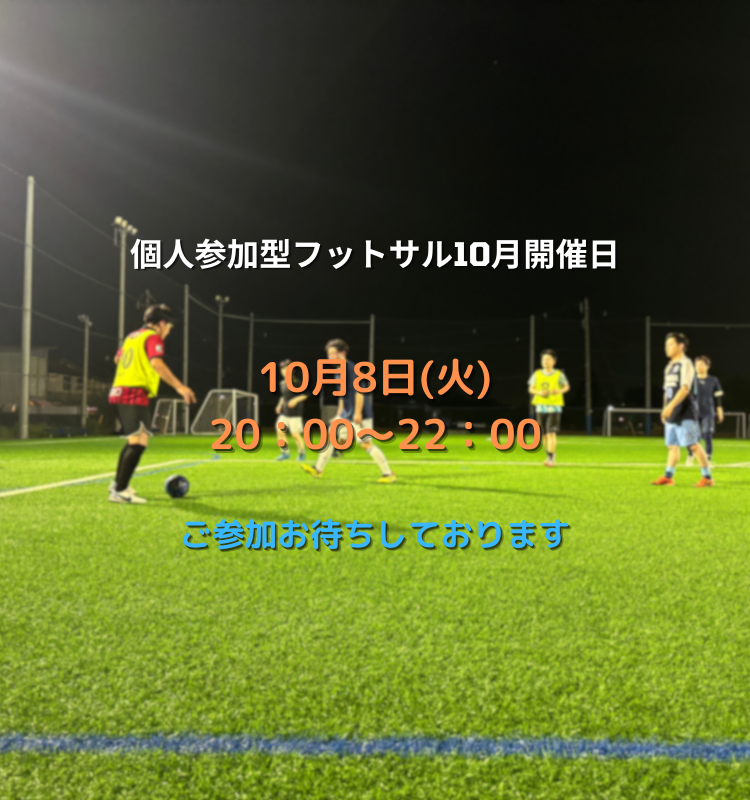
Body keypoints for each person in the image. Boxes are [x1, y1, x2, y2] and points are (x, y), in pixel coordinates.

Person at [108, 304, 196, 503]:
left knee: (136, 441)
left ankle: (117, 484)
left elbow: (117, 359)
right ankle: (119, 491)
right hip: (133, 392)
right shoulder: (152, 337)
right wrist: (180, 387)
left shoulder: (132, 337)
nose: (168, 332)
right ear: (162, 323)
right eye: (169, 327)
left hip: (119, 391)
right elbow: (157, 363)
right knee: (138, 443)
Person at [300, 338, 396, 483]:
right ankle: (318, 469)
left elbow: (360, 391)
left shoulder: (351, 369)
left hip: (360, 415)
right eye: (329, 354)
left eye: (334, 353)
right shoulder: (338, 371)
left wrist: (358, 412)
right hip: (345, 415)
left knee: (366, 444)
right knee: (330, 436)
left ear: (343, 353)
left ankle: (388, 474)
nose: (331, 357)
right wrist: (338, 414)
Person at [651, 333, 713, 487]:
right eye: (666, 345)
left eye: (670, 344)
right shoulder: (669, 367)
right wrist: (665, 408)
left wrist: (670, 406)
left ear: (681, 346)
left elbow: (685, 388)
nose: (667, 348)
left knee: (693, 445)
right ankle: (668, 477)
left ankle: (707, 478)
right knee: (672, 446)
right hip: (672, 412)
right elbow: (667, 391)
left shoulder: (686, 363)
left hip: (685, 412)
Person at [528, 349, 570, 466]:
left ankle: (551, 459)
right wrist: (539, 392)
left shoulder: (559, 374)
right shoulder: (537, 374)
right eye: (544, 359)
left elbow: (566, 387)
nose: (545, 361)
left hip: (554, 407)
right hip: (540, 407)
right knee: (544, 435)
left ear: (554, 362)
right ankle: (549, 455)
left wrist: (559, 391)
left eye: (548, 359)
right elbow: (531, 389)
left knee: (551, 433)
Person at [686, 355, 724, 466]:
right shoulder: (690, 380)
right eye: (697, 365)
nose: (699, 367)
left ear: (708, 366)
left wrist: (720, 411)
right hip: (692, 412)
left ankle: (707, 460)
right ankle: (690, 455)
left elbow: (718, 398)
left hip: (708, 412)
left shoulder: (714, 380)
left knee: (707, 435)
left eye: (701, 365)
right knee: (691, 436)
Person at [275, 358, 308, 461]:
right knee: (280, 431)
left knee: (295, 434)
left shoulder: (296, 382)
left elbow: (306, 394)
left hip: (295, 414)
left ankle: (302, 453)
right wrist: (279, 405)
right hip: (285, 413)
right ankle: (285, 453)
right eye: (282, 369)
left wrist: (295, 400)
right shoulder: (282, 383)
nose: (284, 371)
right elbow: (283, 397)